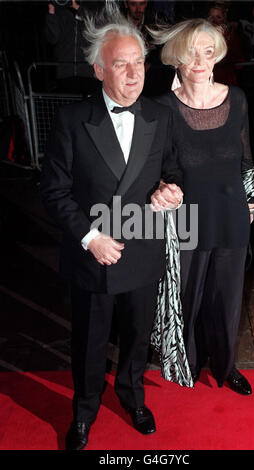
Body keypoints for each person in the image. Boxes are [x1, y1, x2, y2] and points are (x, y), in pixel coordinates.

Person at [40, 10, 183, 451]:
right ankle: (83, 412)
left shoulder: (161, 116)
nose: (134, 72)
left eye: (139, 61)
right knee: (89, 340)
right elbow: (54, 191)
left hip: (141, 249)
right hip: (93, 253)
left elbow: (172, 171)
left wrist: (171, 191)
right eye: (121, 63)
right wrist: (91, 238)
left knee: (138, 336)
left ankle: (133, 399)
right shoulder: (72, 120)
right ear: (99, 69)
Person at [150, 19, 254, 395]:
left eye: (208, 52)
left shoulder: (238, 99)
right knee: (189, 296)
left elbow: (247, 160)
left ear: (217, 57)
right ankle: (189, 362)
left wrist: (251, 201)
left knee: (228, 299)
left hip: (232, 215)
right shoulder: (163, 108)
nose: (200, 60)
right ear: (177, 60)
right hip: (188, 219)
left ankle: (226, 365)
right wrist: (161, 189)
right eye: (192, 53)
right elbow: (158, 167)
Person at [44, 0, 96, 93]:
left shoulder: (90, 12)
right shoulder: (61, 14)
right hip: (65, 71)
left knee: (86, 104)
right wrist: (51, 13)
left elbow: (95, 31)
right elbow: (53, 39)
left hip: (86, 72)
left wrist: (78, 8)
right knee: (68, 102)